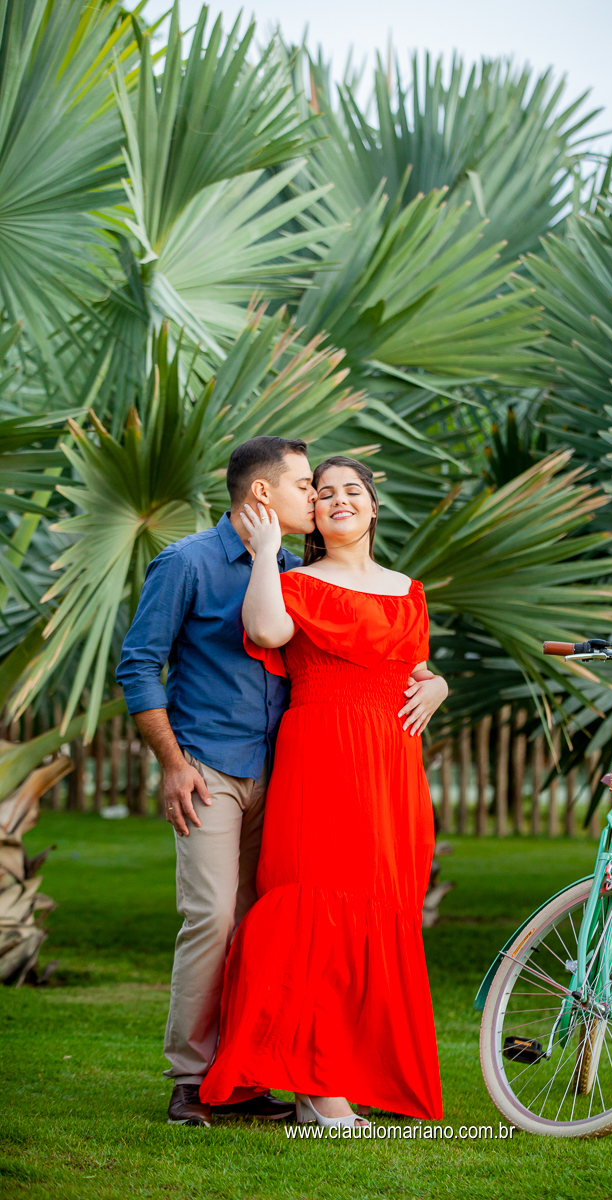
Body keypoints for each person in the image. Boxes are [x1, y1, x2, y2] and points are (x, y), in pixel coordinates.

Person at [199, 456, 448, 1126]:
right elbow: (265, 632)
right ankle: (318, 1089)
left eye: (352, 490)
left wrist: (440, 684)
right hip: (322, 755)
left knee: (379, 909)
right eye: (324, 492)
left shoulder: (408, 590)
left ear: (373, 506)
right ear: (311, 514)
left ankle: (355, 1074)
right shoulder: (295, 581)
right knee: (315, 907)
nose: (338, 499)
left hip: (393, 765)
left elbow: (414, 668)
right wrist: (264, 552)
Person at [116, 436, 316, 1128]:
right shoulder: (186, 563)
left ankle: (243, 1075)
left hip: (282, 775)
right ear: (262, 491)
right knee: (212, 916)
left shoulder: (296, 572)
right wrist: (173, 763)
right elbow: (139, 664)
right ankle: (189, 1078)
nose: (314, 496)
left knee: (261, 925)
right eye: (303, 484)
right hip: (207, 768)